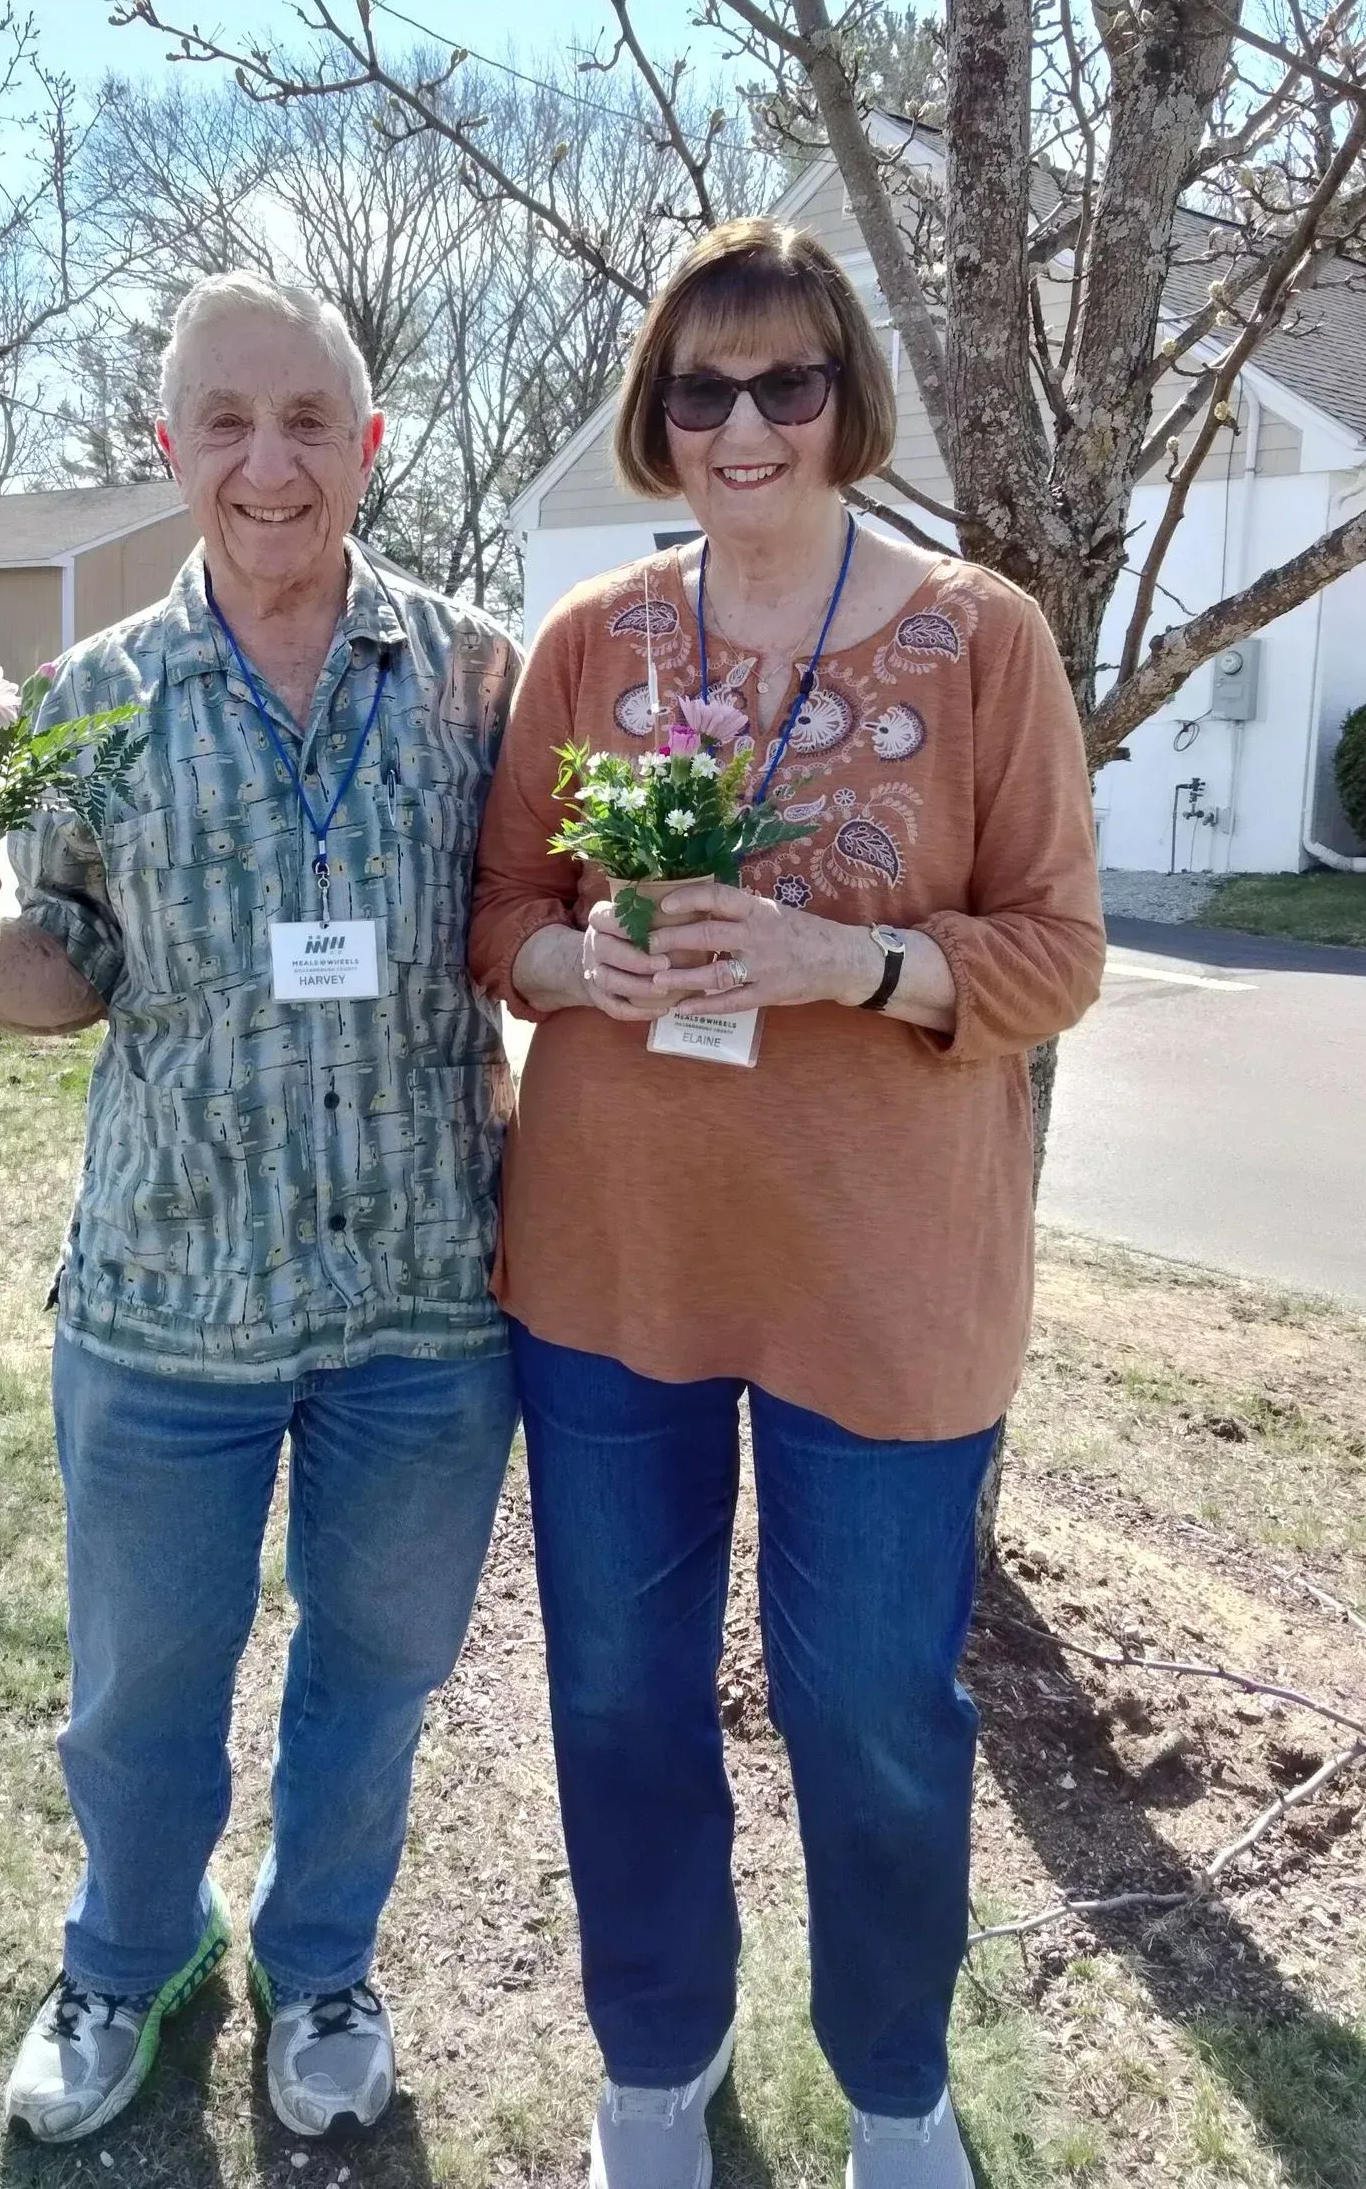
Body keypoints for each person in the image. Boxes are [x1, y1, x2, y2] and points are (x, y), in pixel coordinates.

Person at [0, 270, 520, 2148]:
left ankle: (323, 1960)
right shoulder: (92, 701)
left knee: (376, 1676)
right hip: (167, 1300)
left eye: (309, 420)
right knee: (142, 1684)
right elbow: (65, 953)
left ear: (369, 447)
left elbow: (541, 919)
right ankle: (128, 1950)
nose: (269, 459)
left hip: (424, 1304)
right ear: (168, 452)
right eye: (225, 420)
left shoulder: (485, 675)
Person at [469, 219, 1106, 2189]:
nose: (745, 424)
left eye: (788, 382)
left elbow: (1057, 952)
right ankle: (655, 2059)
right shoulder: (593, 641)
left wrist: (857, 966)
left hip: (885, 1283)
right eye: (700, 388)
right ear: (658, 417)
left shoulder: (981, 634)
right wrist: (586, 970)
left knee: (870, 1709)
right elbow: (503, 920)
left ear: (845, 397)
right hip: (613, 1259)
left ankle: (896, 2086)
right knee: (615, 1683)